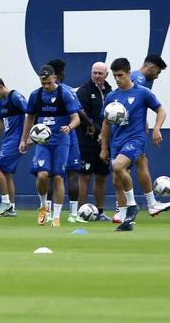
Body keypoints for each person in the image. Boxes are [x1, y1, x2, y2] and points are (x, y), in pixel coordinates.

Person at [100, 57, 168, 232]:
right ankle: (125, 218)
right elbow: (106, 124)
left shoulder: (142, 92)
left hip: (135, 139)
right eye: (114, 76)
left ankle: (132, 205)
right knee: (116, 179)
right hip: (117, 142)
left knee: (118, 166)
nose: (117, 79)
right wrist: (104, 147)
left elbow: (161, 110)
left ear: (129, 73)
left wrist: (157, 128)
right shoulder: (112, 97)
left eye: (120, 75)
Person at [20, 64, 81, 227]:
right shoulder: (35, 95)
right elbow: (29, 118)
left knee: (59, 177)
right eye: (43, 83)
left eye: (48, 82)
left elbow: (76, 118)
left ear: (55, 77)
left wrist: (69, 127)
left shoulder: (65, 94)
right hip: (43, 141)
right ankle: (43, 206)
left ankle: (56, 217)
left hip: (62, 140)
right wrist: (24, 139)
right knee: (42, 175)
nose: (46, 86)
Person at [119, 53, 170, 220]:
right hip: (129, 133)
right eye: (157, 72)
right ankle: (128, 208)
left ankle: (135, 207)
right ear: (150, 67)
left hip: (130, 132)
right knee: (123, 168)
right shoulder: (139, 80)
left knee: (139, 163)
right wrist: (151, 126)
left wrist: (144, 122)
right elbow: (129, 103)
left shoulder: (138, 79)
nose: (157, 76)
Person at [47, 59, 93, 223]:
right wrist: (90, 124)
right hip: (67, 136)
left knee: (53, 175)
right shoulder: (66, 90)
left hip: (48, 138)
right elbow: (78, 111)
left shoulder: (41, 93)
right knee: (73, 174)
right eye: (63, 71)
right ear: (59, 74)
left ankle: (49, 213)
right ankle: (73, 214)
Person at [75, 61, 112, 220]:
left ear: (106, 75)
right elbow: (82, 114)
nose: (97, 76)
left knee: (102, 176)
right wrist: (99, 131)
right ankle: (81, 213)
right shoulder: (84, 91)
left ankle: (100, 211)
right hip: (87, 142)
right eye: (94, 73)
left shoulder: (110, 91)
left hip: (104, 144)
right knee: (85, 176)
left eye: (100, 73)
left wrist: (105, 136)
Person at [0, 75, 26, 217]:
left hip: (15, 142)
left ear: (1, 87)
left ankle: (5, 203)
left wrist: (24, 139)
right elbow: (1, 121)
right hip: (7, 141)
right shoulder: (3, 102)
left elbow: (31, 113)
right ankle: (11, 208)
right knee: (7, 174)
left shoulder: (15, 96)